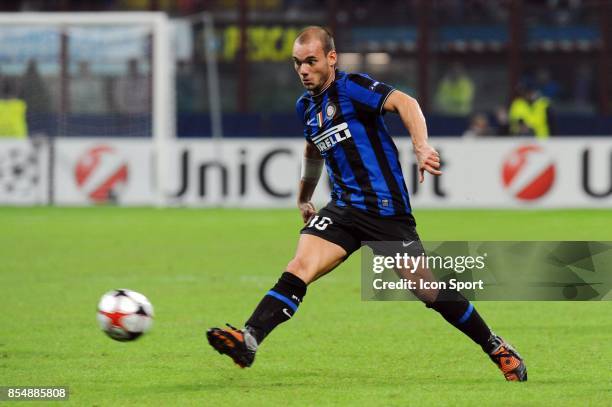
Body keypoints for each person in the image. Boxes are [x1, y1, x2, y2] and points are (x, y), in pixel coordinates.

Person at [207, 26, 527, 382]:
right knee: (300, 265)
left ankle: (495, 346)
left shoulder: (352, 87)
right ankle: (249, 338)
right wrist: (304, 196)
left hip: (385, 211)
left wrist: (421, 146)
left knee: (427, 289)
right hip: (343, 210)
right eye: (297, 63)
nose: (303, 70)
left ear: (331, 58)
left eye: (311, 61)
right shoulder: (305, 107)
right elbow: (314, 149)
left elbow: (407, 103)